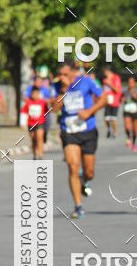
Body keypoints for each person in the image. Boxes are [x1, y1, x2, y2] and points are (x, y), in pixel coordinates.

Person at [57, 62, 108, 218]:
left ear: (74, 72)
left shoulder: (86, 82)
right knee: (72, 167)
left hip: (88, 130)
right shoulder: (58, 86)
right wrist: (63, 89)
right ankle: (78, 206)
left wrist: (89, 111)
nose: (62, 77)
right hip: (69, 131)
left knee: (89, 172)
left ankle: (84, 180)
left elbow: (103, 99)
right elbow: (55, 108)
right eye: (60, 74)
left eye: (65, 74)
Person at [21, 86, 48, 160]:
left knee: (39, 138)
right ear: (31, 94)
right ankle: (35, 154)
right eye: (33, 94)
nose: (35, 95)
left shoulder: (43, 102)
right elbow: (24, 112)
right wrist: (23, 123)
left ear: (39, 94)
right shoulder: (28, 102)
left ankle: (40, 154)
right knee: (33, 139)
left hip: (40, 123)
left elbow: (47, 111)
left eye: (37, 94)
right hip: (31, 124)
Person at [122, 76, 137, 152]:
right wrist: (123, 99)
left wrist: (136, 97)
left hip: (135, 111)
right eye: (129, 82)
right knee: (127, 127)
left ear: (134, 83)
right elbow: (121, 99)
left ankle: (133, 143)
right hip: (126, 111)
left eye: (132, 82)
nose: (130, 84)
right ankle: (128, 137)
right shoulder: (125, 92)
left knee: (134, 131)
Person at [102, 68, 122, 139]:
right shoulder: (104, 79)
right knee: (106, 118)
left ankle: (114, 132)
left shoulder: (116, 78)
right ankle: (109, 129)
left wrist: (110, 84)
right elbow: (104, 90)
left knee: (113, 119)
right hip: (107, 101)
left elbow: (118, 90)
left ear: (108, 71)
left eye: (105, 72)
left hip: (115, 102)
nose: (104, 73)